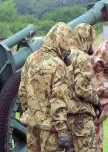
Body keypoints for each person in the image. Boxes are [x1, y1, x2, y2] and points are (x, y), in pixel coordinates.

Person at [19, 22, 76, 152]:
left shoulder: (30, 59)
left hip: (32, 127)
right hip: (51, 130)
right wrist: (62, 132)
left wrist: (31, 114)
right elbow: (59, 100)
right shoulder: (58, 64)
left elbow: (22, 92)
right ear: (62, 41)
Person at [66, 23, 102, 152]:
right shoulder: (83, 58)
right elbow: (82, 88)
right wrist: (97, 101)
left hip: (63, 117)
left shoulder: (62, 55)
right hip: (81, 117)